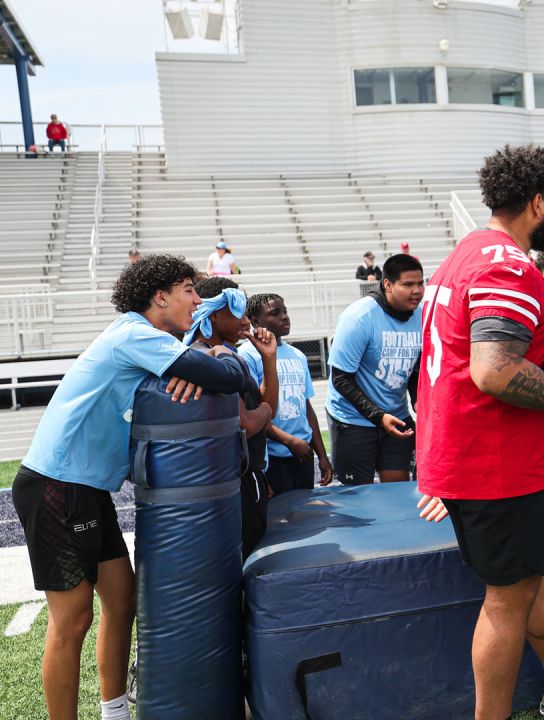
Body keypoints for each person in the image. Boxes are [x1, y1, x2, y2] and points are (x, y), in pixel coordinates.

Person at [413, 144, 544, 720]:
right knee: (507, 600)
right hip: (493, 462)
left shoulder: (465, 254)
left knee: (526, 582)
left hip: (467, 452)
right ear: (537, 203)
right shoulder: (507, 264)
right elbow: (493, 369)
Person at [12, 254, 254, 720]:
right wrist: (218, 356)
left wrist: (199, 362)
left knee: (122, 599)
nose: (197, 300)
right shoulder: (133, 333)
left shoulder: (151, 338)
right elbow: (229, 377)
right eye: (188, 289)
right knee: (73, 618)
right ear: (159, 296)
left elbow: (218, 379)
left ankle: (115, 711)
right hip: (56, 483)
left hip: (87, 487)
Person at [186, 280, 279, 559]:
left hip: (245, 476)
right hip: (230, 483)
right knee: (244, 561)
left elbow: (263, 406)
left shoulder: (229, 355)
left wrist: (269, 360)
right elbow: (248, 424)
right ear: (214, 314)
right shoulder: (206, 358)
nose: (246, 320)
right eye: (238, 311)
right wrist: (262, 413)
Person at [326, 253, 424, 485]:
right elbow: (340, 379)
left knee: (397, 491)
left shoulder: (423, 315)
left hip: (396, 417)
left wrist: (418, 400)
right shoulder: (358, 318)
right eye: (408, 284)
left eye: (420, 283)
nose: (417, 291)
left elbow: (414, 370)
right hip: (353, 420)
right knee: (357, 497)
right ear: (388, 284)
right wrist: (378, 417)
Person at [243, 292, 333, 495]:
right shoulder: (247, 355)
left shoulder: (298, 355)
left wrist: (323, 456)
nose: (284, 316)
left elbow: (306, 408)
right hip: (273, 456)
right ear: (256, 321)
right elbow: (252, 413)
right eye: (275, 313)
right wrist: (288, 440)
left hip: (303, 453)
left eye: (285, 311)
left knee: (305, 517)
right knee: (280, 519)